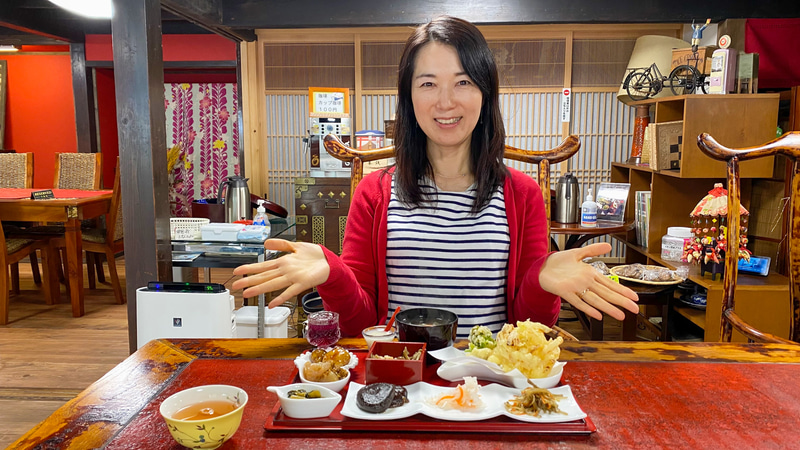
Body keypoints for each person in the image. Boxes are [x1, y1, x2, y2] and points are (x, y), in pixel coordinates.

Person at [232, 16, 639, 338]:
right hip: (400, 380)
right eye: (428, 83)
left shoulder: (523, 194)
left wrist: (541, 281)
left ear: (485, 93)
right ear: (409, 96)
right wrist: (332, 273)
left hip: (487, 385)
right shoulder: (375, 192)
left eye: (463, 82)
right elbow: (359, 326)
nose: (446, 102)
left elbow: (528, 328)